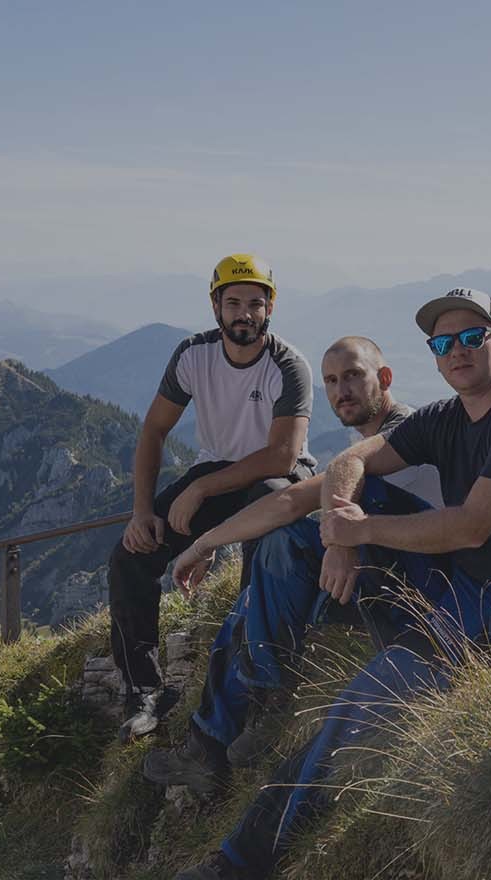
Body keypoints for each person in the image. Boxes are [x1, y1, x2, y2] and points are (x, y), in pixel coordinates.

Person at [165, 288, 491, 880]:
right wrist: (334, 535)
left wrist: (360, 529)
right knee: (297, 561)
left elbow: (470, 527)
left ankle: (242, 864)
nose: (457, 351)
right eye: (443, 343)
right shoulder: (447, 417)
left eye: (473, 337)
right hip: (458, 594)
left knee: (354, 709)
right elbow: (347, 464)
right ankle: (247, 768)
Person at [154, 335, 442, 767]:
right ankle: (210, 743)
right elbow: (288, 502)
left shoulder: (405, 436)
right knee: (256, 597)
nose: (341, 390)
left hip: (419, 588)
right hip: (381, 574)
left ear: (384, 378)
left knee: (282, 548)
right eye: (330, 381)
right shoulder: (364, 450)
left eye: (353, 376)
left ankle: (256, 712)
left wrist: (204, 544)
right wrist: (203, 544)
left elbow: (294, 501)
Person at [110, 253, 318, 741]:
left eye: (255, 303)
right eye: (233, 303)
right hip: (217, 470)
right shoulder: (192, 355)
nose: (244, 313)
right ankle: (144, 691)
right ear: (215, 306)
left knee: (262, 536)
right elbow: (154, 430)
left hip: (274, 477)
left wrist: (201, 490)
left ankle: (252, 679)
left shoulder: (288, 365)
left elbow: (281, 458)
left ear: (270, 308)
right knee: (129, 557)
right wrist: (142, 512)